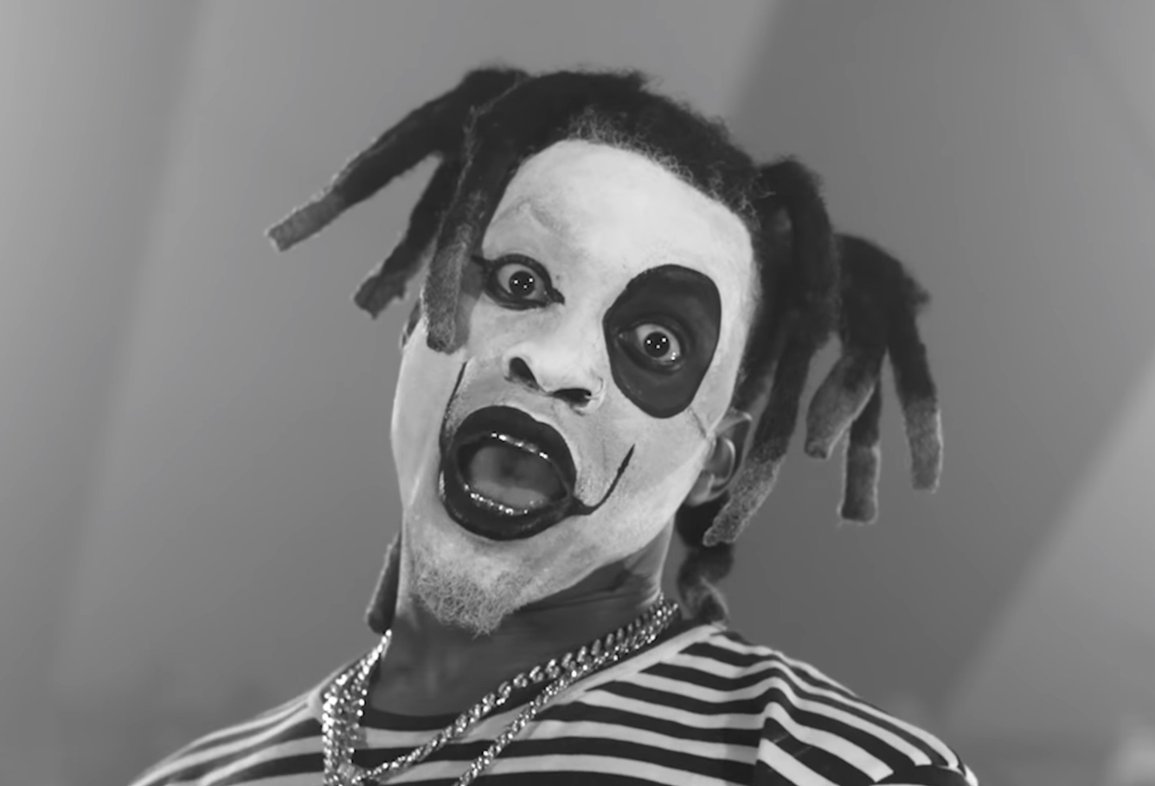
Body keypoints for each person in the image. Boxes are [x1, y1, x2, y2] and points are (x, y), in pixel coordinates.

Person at [130, 67, 976, 786]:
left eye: (656, 343)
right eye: (521, 284)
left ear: (715, 467)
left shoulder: (841, 770)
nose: (557, 362)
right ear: (418, 325)